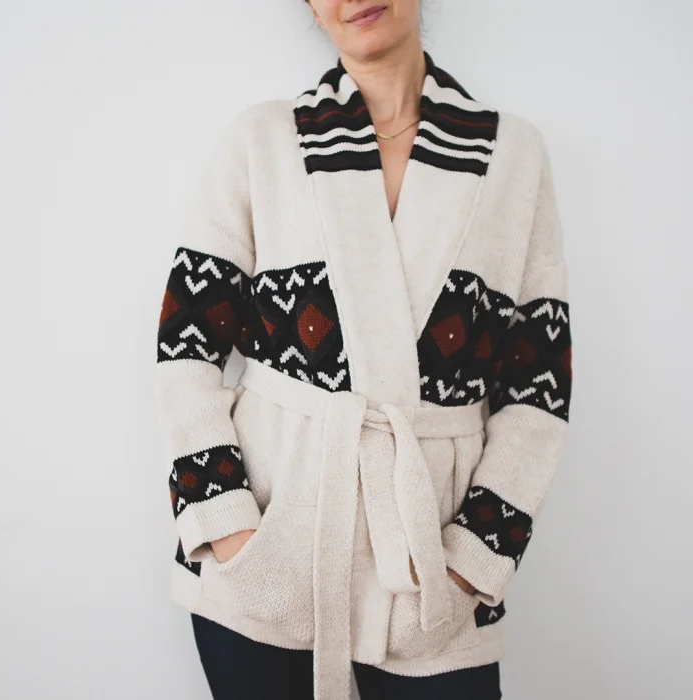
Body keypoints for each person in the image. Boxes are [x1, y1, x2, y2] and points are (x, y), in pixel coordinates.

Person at [155, 1, 573, 698]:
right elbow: (185, 345)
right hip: (264, 558)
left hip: (429, 575)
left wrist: (471, 564)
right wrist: (229, 530)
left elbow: (538, 388)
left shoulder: (513, 156)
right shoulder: (263, 140)